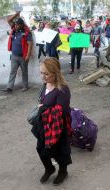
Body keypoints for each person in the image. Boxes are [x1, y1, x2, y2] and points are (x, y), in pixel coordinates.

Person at [31, 57, 72, 185]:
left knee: (59, 152)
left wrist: (43, 108)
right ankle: (49, 168)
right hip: (44, 126)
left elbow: (61, 111)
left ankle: (63, 171)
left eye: (46, 74)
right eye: (41, 73)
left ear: (55, 73)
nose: (43, 76)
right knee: (40, 149)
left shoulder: (63, 89)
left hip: (57, 129)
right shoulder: (45, 85)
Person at [3, 12, 33, 93]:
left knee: (24, 71)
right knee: (13, 71)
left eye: (17, 25)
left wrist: (28, 55)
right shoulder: (14, 29)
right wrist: (17, 14)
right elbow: (8, 20)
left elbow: (30, 44)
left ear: (21, 25)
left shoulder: (27, 32)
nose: (15, 26)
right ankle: (9, 87)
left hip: (23, 56)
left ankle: (25, 86)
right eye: (15, 24)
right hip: (14, 56)